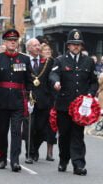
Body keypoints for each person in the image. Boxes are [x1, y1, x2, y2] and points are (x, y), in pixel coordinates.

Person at [49, 29, 98, 176]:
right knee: (64, 135)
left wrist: (90, 93)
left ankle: (79, 164)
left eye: (78, 44)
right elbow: (54, 73)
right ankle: (63, 160)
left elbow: (93, 82)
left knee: (78, 135)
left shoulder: (88, 61)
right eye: (73, 44)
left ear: (81, 46)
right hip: (64, 105)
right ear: (68, 45)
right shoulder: (60, 60)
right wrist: (56, 82)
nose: (76, 46)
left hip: (80, 107)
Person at [0, 29, 32, 172]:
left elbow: (29, 80)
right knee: (3, 130)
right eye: (10, 40)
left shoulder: (25, 59)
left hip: (18, 99)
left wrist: (31, 99)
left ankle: (15, 161)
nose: (13, 42)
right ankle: (2, 158)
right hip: (2, 99)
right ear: (5, 42)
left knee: (17, 131)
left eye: (15, 40)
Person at [24, 38, 55, 164]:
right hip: (29, 99)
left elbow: (51, 78)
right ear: (29, 48)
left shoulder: (47, 62)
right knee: (29, 128)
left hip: (44, 100)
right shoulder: (24, 61)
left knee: (42, 129)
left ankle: (35, 148)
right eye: (35, 45)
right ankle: (29, 153)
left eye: (38, 45)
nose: (38, 47)